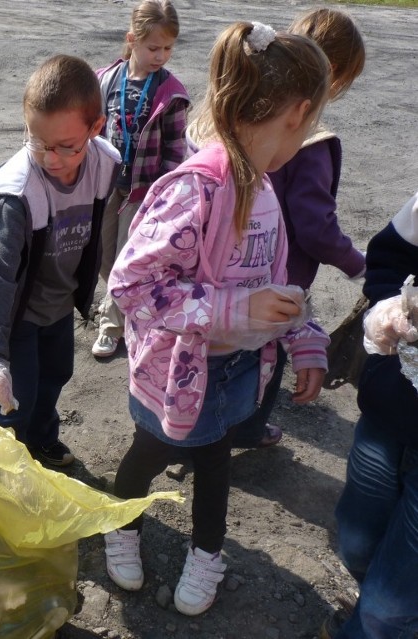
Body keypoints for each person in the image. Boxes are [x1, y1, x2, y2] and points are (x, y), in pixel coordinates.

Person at [103, 22, 331, 615]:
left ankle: (207, 552)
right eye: (311, 125)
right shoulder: (195, 191)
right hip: (175, 374)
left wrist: (303, 336)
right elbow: (132, 285)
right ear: (298, 113)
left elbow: (278, 283)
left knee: (214, 458)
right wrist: (232, 308)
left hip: (231, 374)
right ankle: (119, 522)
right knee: (149, 453)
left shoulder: (266, 188)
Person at [191, 8, 367, 449]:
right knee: (262, 356)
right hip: (276, 271)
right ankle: (243, 429)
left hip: (221, 271)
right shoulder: (308, 140)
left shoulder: (234, 112)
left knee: (216, 353)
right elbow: (314, 224)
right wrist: (355, 263)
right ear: (336, 75)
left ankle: (198, 432)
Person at [0, 55, 121, 467]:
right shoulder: (17, 195)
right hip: (19, 313)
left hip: (58, 304)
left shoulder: (105, 167)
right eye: (37, 142)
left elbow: (108, 234)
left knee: (55, 376)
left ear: (95, 128)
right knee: (14, 394)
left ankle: (39, 440)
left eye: (66, 147)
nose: (51, 158)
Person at [320, 190, 418, 638]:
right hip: (392, 409)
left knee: (385, 607)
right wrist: (389, 308)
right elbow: (390, 257)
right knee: (356, 542)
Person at [91, 0, 190, 358]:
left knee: (123, 258)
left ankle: (111, 325)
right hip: (106, 186)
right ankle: (130, 299)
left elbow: (175, 153)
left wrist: (162, 198)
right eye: (153, 48)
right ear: (132, 39)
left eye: (167, 48)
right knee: (101, 254)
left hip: (143, 192)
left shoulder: (171, 94)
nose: (161, 55)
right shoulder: (104, 80)